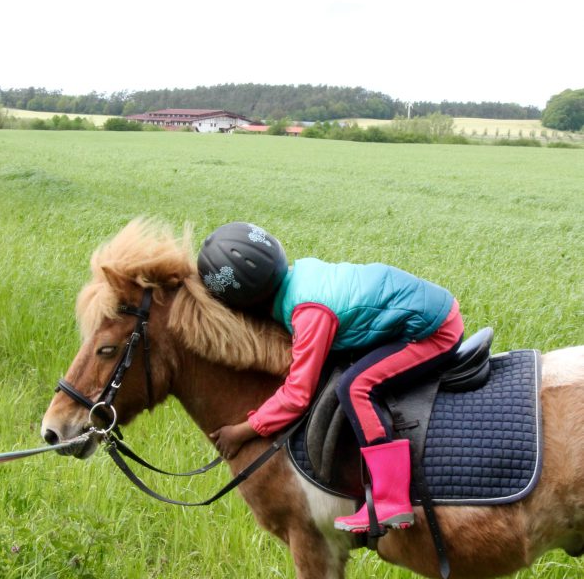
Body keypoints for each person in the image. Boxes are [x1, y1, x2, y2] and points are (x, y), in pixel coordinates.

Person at [198, 222, 464, 534]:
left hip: (435, 332)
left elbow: (298, 395)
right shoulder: (299, 277)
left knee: (356, 388)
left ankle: (391, 501)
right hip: (422, 309)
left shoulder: (309, 312)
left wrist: (242, 431)